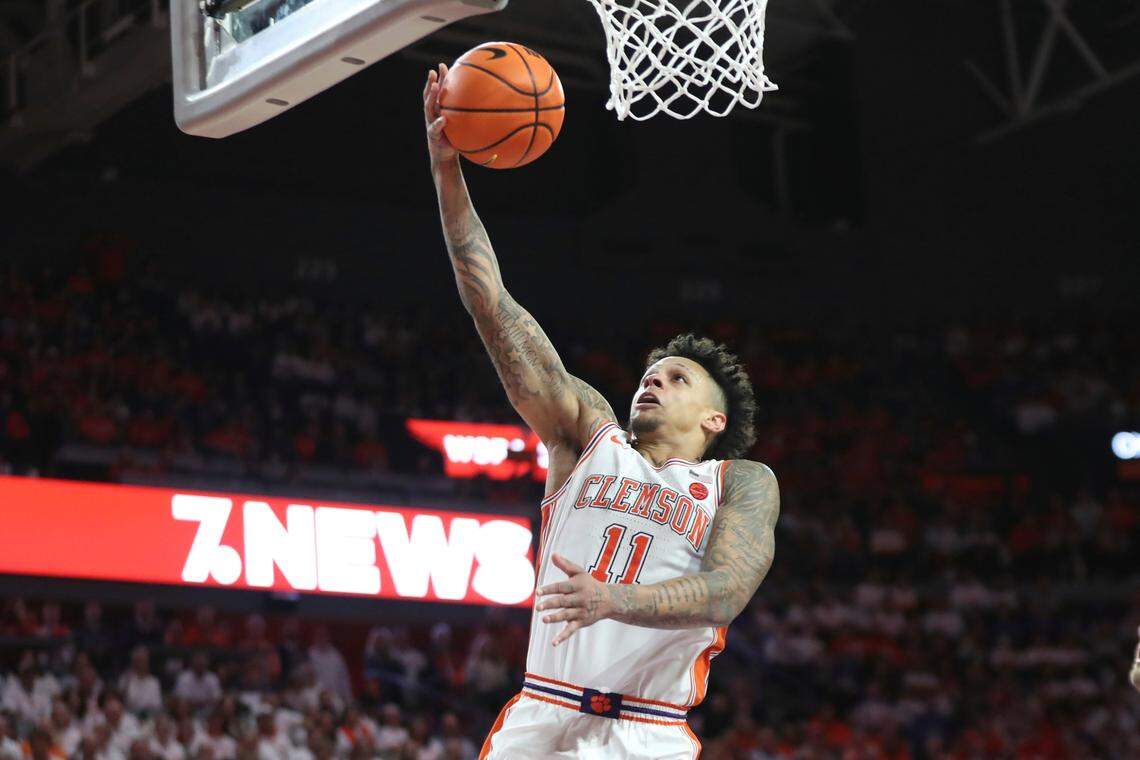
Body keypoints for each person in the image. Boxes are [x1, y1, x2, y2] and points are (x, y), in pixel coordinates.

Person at [423, 65, 781, 759]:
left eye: (676, 378)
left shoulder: (740, 481)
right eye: (649, 373)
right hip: (543, 715)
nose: (653, 381)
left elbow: (727, 589)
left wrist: (616, 601)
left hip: (649, 732)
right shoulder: (588, 434)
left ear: (715, 420)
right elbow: (494, 306)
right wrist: (447, 171)